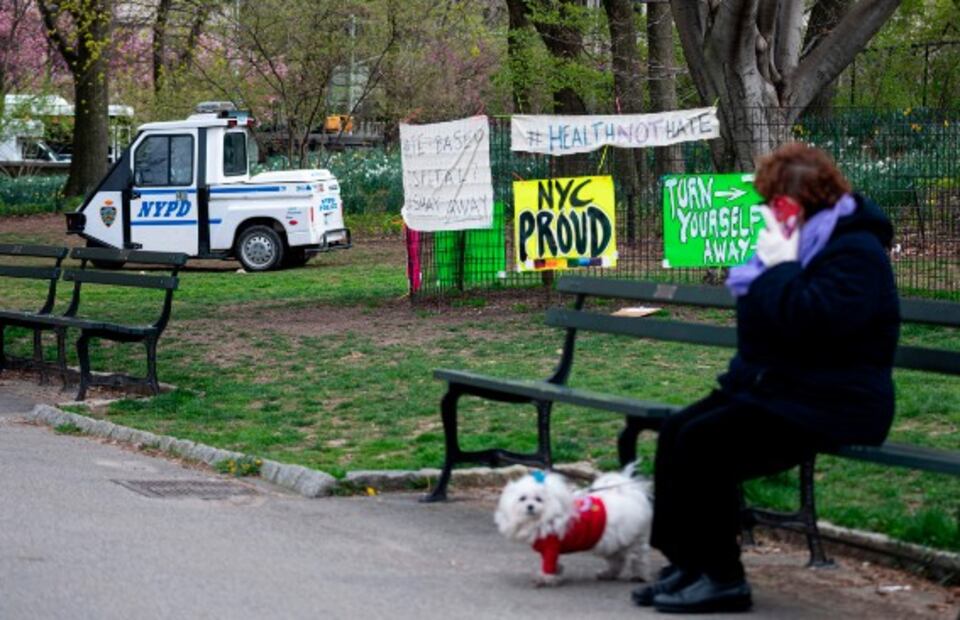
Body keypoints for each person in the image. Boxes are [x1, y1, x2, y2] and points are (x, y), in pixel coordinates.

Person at [632, 143, 901, 614]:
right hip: (785, 388)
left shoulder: (854, 250)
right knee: (678, 431)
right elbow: (761, 328)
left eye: (775, 203)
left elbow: (816, 322)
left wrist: (780, 270)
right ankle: (689, 562)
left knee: (706, 444)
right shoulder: (801, 242)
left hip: (837, 400)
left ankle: (724, 578)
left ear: (805, 198)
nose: (770, 215)